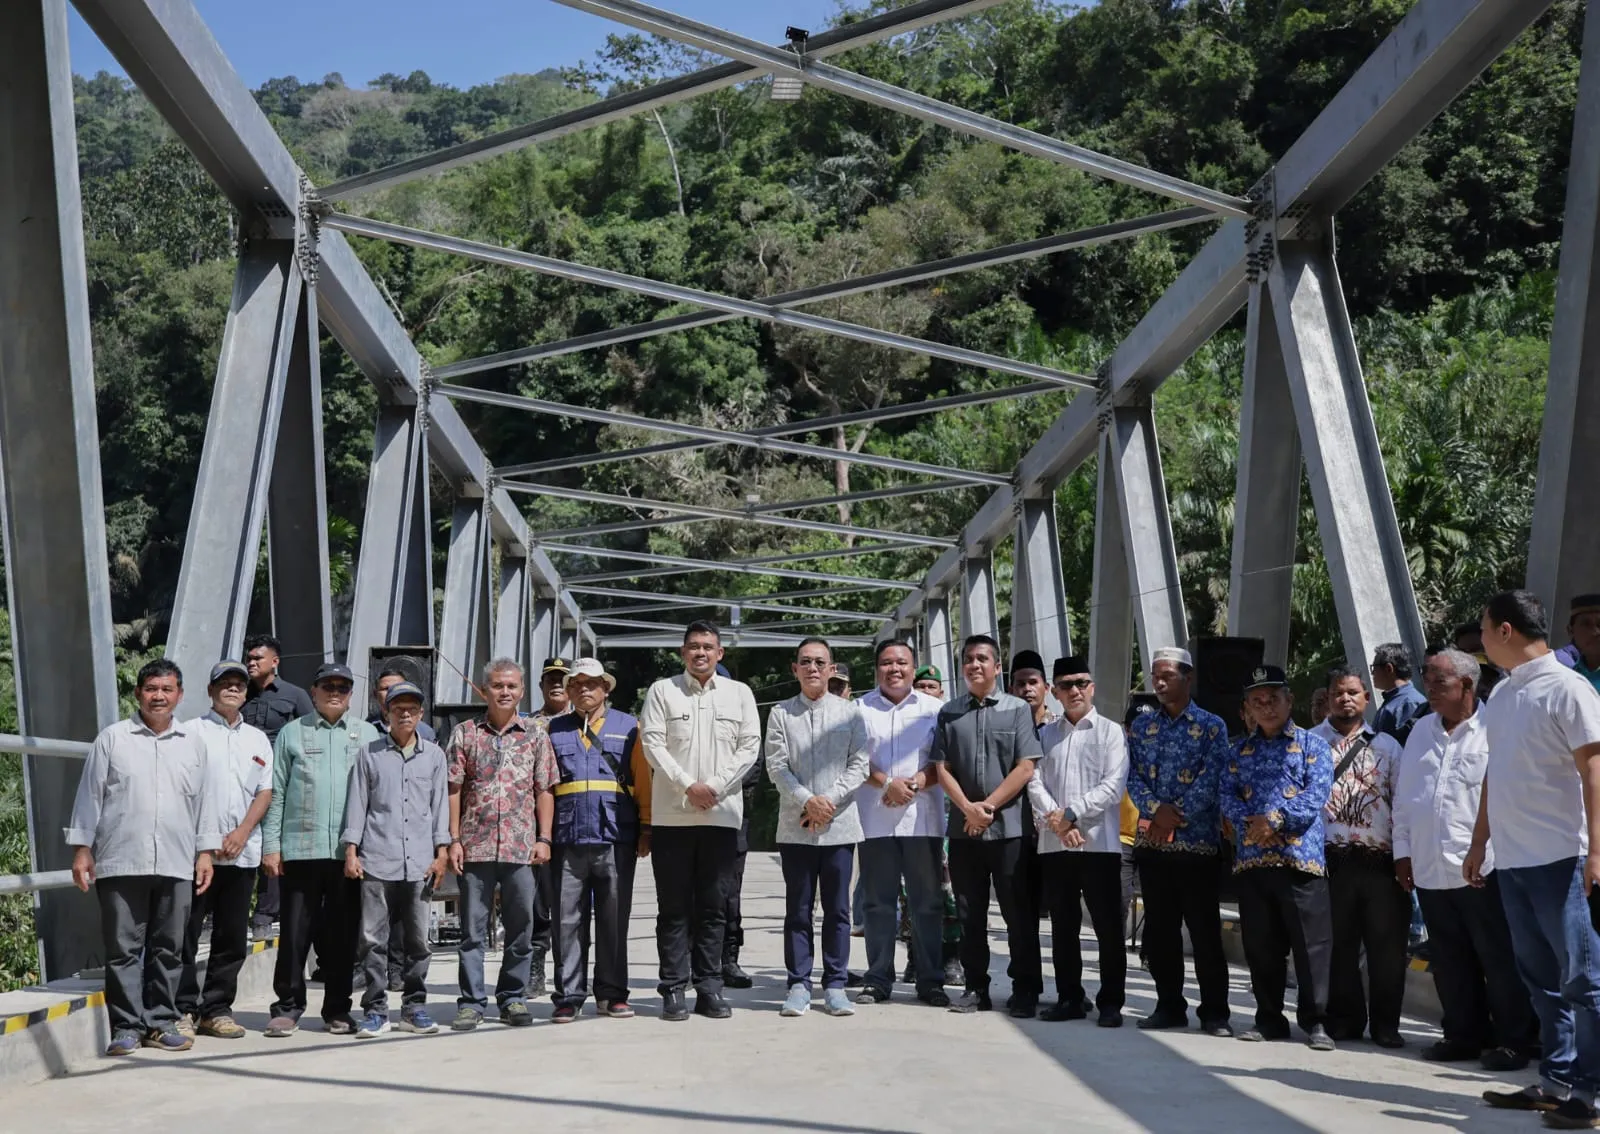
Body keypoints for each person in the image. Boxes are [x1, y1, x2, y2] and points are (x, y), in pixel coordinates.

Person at [1470, 590, 1600, 1128]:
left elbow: (1595, 771)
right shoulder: (1501, 695)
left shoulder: (1567, 689)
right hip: (1515, 860)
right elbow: (1493, 773)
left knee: (1584, 980)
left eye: (1482, 629)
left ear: (1505, 631)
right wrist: (1480, 841)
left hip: (1563, 859)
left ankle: (1588, 1095)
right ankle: (1556, 1079)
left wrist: (1598, 850)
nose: (1479, 639)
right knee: (1541, 979)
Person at [66, 659, 220, 1057]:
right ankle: (126, 1028)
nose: (158, 696)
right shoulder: (113, 739)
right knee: (122, 949)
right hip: (122, 860)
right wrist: (83, 848)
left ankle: (160, 1022)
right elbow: (90, 796)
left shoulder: (193, 744)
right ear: (138, 693)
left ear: (179, 696)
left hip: (176, 860)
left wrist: (205, 852)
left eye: (167, 689)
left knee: (169, 947)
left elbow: (206, 802)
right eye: (151, 688)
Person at [1395, 649, 1537, 1072]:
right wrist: (1403, 852)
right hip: (1430, 867)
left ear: (1468, 686)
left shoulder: (1497, 728)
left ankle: (1515, 1041)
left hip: (1484, 869)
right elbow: (1405, 798)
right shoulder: (1421, 729)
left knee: (1498, 959)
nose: (1429, 689)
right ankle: (1462, 1035)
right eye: (1427, 679)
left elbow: (1509, 799)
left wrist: (1488, 854)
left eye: (1439, 682)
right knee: (1449, 960)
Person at [638, 621, 761, 1021]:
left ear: (720, 653)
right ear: (682, 653)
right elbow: (652, 743)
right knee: (673, 909)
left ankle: (709, 988)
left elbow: (749, 748)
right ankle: (673, 989)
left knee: (713, 909)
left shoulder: (740, 694)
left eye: (708, 646)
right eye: (693, 647)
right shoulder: (662, 691)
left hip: (721, 817)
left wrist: (715, 787)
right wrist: (689, 785)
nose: (700, 653)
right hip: (674, 817)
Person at [261, 662, 379, 1037]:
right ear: (313, 692)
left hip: (349, 853)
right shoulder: (293, 734)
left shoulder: (368, 734)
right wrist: (271, 846)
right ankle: (288, 1007)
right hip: (302, 848)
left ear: (351, 694)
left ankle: (337, 1010)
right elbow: (277, 791)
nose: (334, 692)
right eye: (327, 685)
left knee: (343, 937)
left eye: (342, 687)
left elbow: (377, 796)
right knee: (295, 933)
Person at [1221, 665, 1336, 1051]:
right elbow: (1226, 795)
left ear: (1289, 701)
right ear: (1248, 708)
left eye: (1273, 699)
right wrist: (1248, 825)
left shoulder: (1312, 745)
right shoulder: (1237, 751)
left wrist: (1274, 820)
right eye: (1257, 701)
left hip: (1299, 861)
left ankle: (1317, 1021)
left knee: (1311, 947)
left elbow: (1315, 793)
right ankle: (1269, 1018)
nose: (1266, 707)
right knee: (1262, 947)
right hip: (1253, 862)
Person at [933, 634, 1044, 1017]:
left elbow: (1026, 765)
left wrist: (989, 807)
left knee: (1018, 913)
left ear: (998, 667)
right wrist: (967, 809)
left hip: (1010, 828)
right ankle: (975, 987)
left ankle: (1025, 988)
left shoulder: (1016, 711)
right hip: (965, 831)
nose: (974, 664)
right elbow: (941, 768)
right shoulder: (949, 713)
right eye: (968, 659)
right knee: (969, 913)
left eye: (982, 658)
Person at [1126, 647, 1233, 1035]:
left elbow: (1214, 778)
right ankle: (1169, 1006)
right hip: (1154, 847)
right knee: (1161, 933)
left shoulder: (1211, 726)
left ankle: (1215, 1013)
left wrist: (1175, 813)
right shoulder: (1143, 727)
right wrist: (1155, 810)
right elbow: (1132, 777)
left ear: (1188, 678)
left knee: (1204, 934)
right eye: (1155, 675)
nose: (1159, 682)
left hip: (1198, 847)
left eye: (1168, 675)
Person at [446, 659, 557, 1030]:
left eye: (511, 686)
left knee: (521, 928)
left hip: (521, 847)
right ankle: (471, 1002)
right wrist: (454, 839)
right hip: (475, 846)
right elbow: (454, 789)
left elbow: (544, 789)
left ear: (522, 690)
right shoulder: (465, 733)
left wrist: (544, 838)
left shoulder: (536, 735)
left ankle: (512, 997)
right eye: (497, 685)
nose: (505, 692)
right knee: (472, 931)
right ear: (484, 689)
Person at [765, 638, 869, 1017]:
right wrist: (807, 800)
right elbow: (776, 767)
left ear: (830, 669)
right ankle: (798, 983)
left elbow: (859, 765)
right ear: (795, 669)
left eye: (819, 662)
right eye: (805, 662)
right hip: (796, 826)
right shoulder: (780, 714)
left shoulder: (850, 713)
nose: (812, 668)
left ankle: (836, 984)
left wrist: (827, 802)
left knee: (839, 910)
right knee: (799, 908)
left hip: (839, 826)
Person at [342, 680, 449, 1038]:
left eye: (412, 708)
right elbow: (357, 804)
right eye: (397, 707)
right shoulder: (369, 754)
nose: (405, 713)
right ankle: (375, 1009)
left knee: (418, 941)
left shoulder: (434, 756)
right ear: (386, 713)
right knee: (372, 939)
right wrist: (351, 851)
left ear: (420, 714)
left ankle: (414, 1006)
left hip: (419, 862)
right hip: (376, 858)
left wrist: (441, 852)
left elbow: (439, 810)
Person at [1028, 655, 1130, 1026]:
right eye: (1066, 685)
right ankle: (1070, 997)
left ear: (1093, 687)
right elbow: (1033, 782)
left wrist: (1071, 814)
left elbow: (1113, 787)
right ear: (1054, 692)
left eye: (1081, 683)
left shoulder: (1110, 732)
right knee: (1063, 925)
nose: (1075, 691)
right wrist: (1057, 821)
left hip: (1098, 845)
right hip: (1055, 846)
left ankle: (1110, 1002)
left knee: (1106, 927)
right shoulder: (1044, 736)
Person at [1310, 667, 1408, 1047]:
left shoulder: (1389, 747)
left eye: (1353, 692)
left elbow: (1402, 804)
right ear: (1329, 697)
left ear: (1367, 698)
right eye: (1338, 692)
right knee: (1338, 948)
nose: (1345, 699)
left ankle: (1387, 1025)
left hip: (1380, 860)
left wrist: (1404, 856)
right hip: (1329, 860)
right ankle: (1346, 1020)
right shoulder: (1308, 743)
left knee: (1387, 950)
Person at [547, 658, 649, 1022]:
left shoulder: (629, 727)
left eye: (593, 684)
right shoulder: (552, 729)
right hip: (567, 835)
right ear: (569, 690)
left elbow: (643, 780)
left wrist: (646, 827)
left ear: (606, 688)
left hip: (615, 834)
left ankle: (612, 993)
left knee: (614, 917)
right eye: (577, 684)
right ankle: (568, 995)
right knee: (566, 919)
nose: (584, 690)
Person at [177, 661, 274, 1040]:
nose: (232, 689)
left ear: (246, 693)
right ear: (210, 689)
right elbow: (183, 791)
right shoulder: (188, 734)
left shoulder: (257, 739)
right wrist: (208, 839)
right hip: (199, 855)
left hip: (242, 852)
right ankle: (183, 1008)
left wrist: (242, 832)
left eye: (239, 684)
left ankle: (216, 1009)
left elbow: (264, 791)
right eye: (224, 683)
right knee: (185, 933)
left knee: (232, 936)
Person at [855, 639, 949, 1007]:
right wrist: (887, 784)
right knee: (878, 903)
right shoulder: (858, 709)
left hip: (922, 820)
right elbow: (853, 758)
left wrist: (916, 783)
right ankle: (878, 978)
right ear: (877, 668)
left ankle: (930, 980)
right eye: (886, 663)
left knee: (927, 903)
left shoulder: (935, 709)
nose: (894, 669)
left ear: (914, 668)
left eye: (902, 663)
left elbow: (945, 759)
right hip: (875, 818)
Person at [242, 634, 313, 938]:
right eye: (249, 658)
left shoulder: (294, 696)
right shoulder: (238, 693)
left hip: (278, 780)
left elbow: (310, 737)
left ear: (275, 662)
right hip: (241, 780)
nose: (251, 663)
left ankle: (265, 914)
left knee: (271, 844)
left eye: (258, 658)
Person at [528, 657, 573, 993]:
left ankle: (568, 970)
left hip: (572, 822)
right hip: (533, 823)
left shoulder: (582, 722)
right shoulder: (529, 725)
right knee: (535, 901)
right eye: (551, 679)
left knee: (567, 902)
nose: (556, 684)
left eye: (563, 679)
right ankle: (535, 966)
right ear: (541, 685)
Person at [1371, 643, 1428, 746]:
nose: (1372, 673)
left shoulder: (1410, 703)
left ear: (1389, 668)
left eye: (1374, 667)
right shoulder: (1393, 700)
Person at [1556, 594, 1600, 694]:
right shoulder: (1563, 676)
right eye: (1586, 624)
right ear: (1570, 631)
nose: (1595, 631)